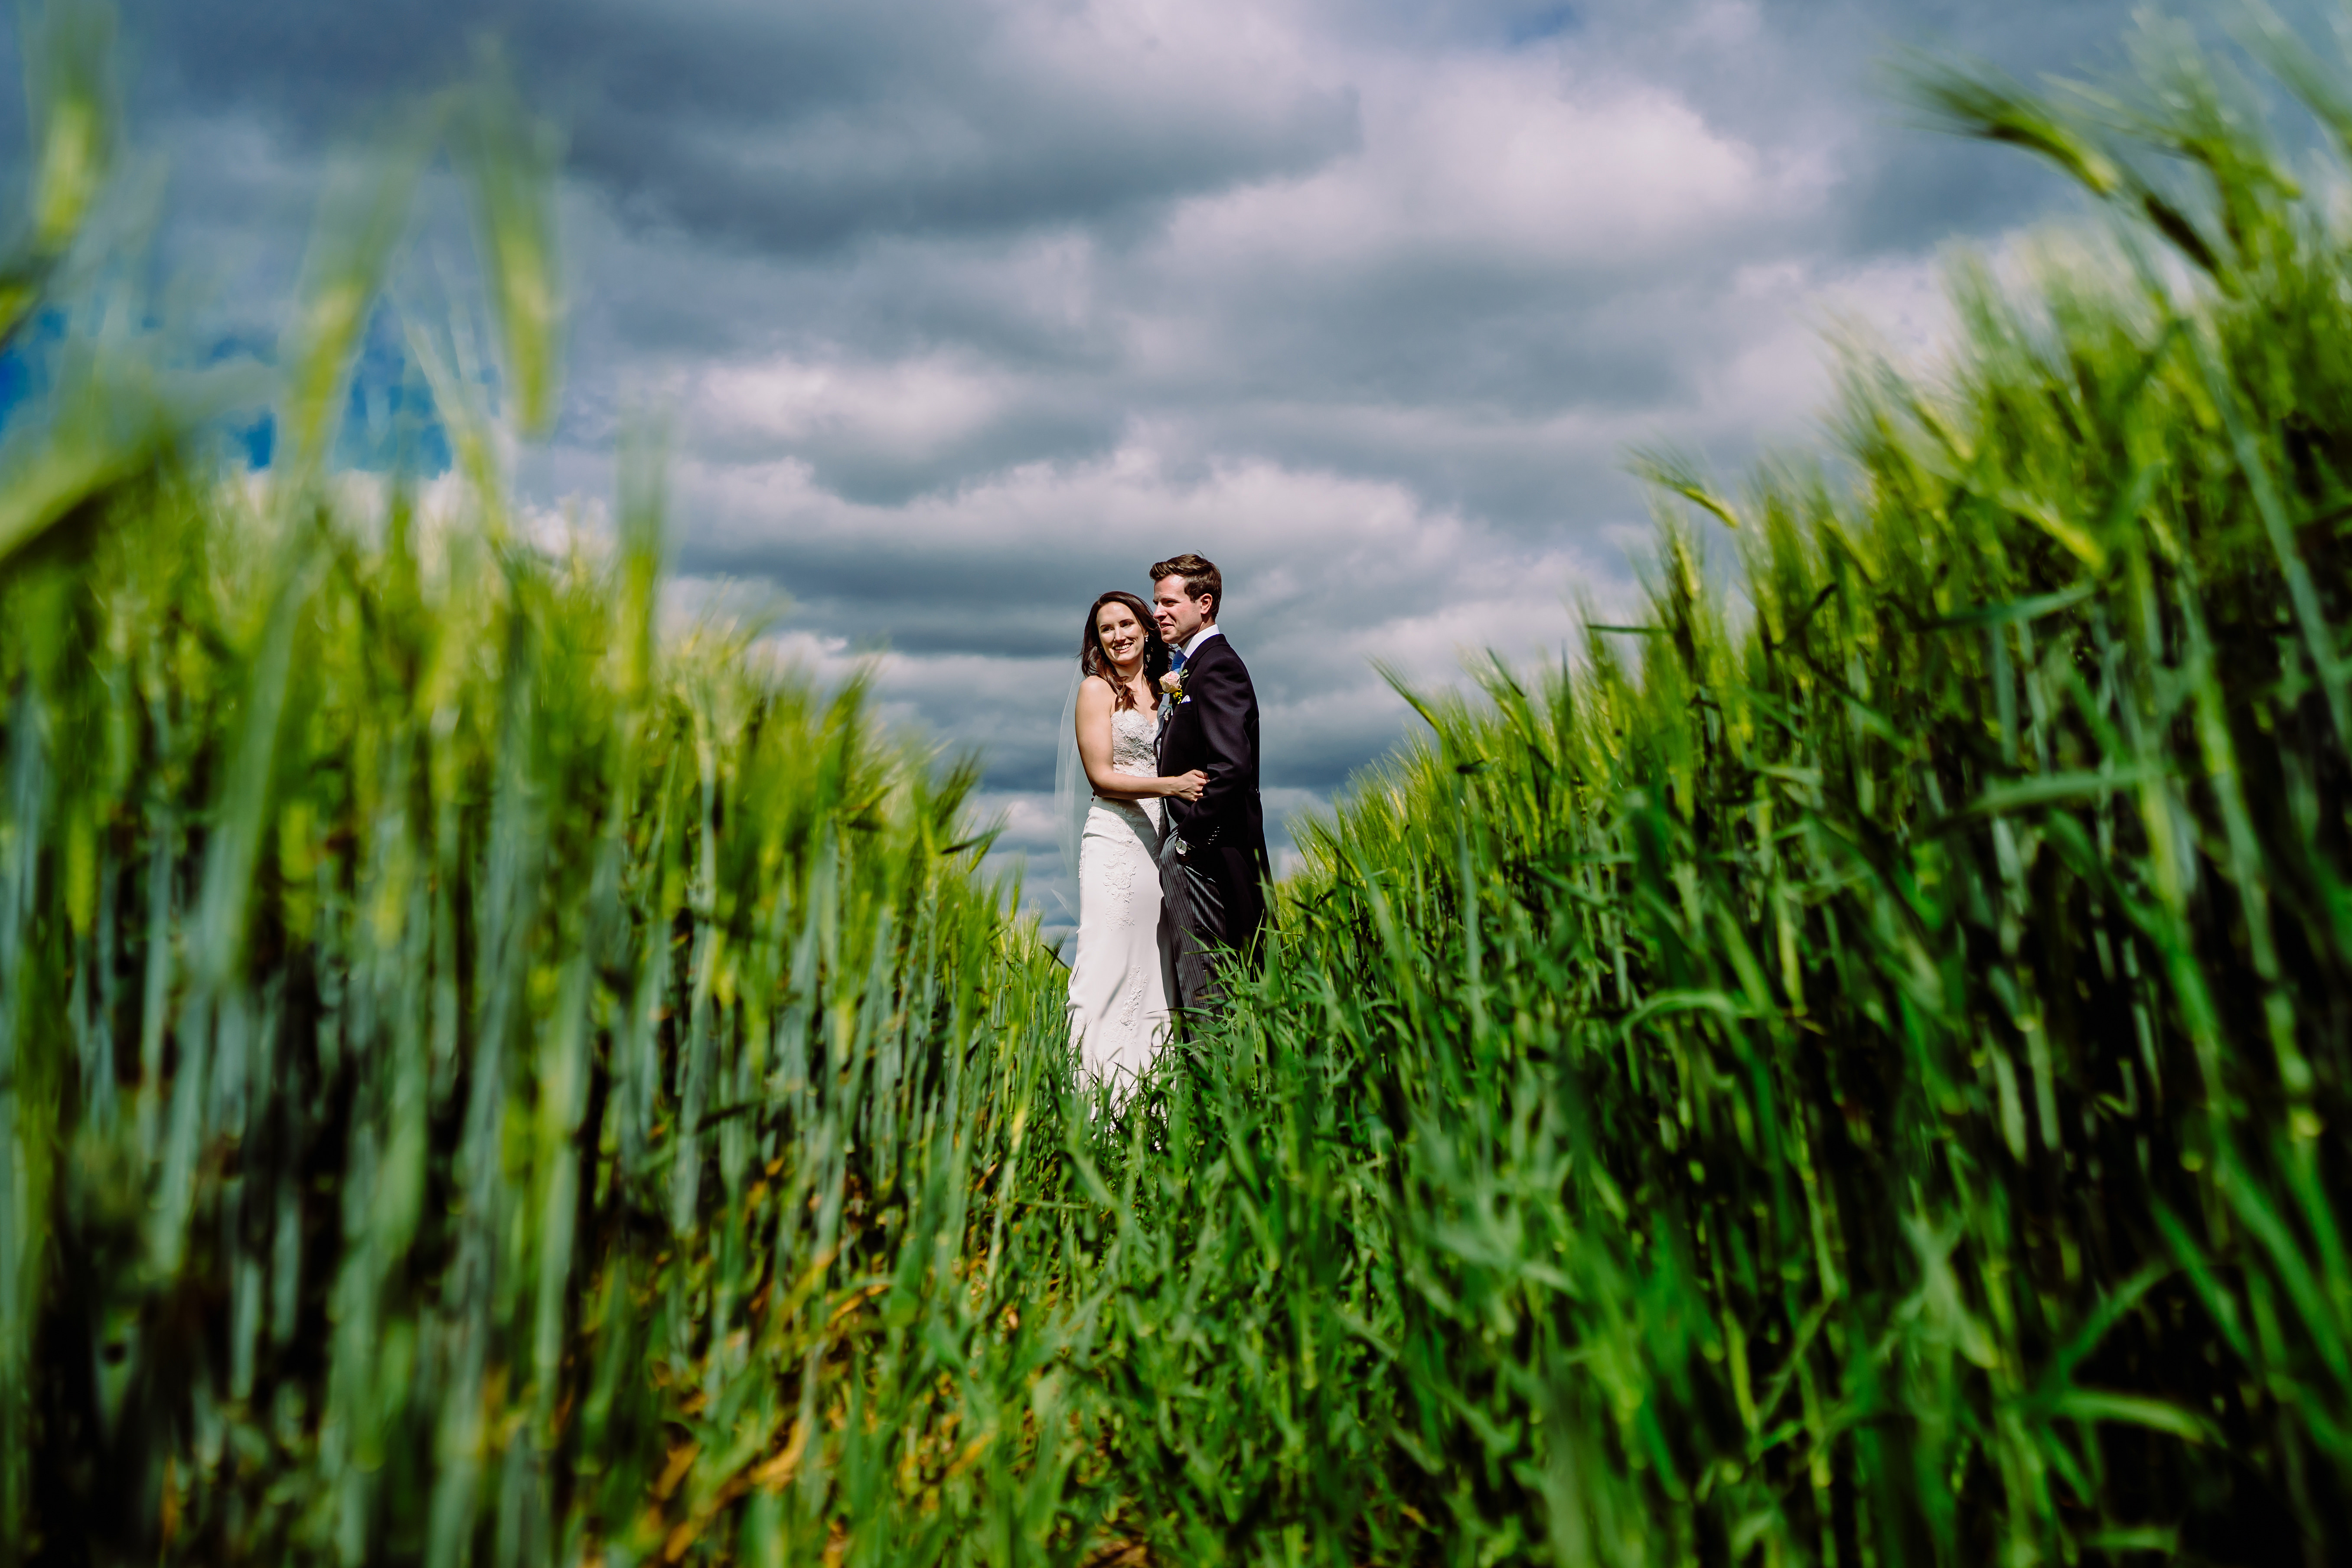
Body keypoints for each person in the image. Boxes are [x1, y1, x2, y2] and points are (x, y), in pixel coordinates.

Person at [1062, 590, 1208, 1088]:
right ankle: (1097, 1099)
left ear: (1146, 629)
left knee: (1153, 960)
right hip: (1114, 840)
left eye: (1126, 624)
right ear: (1097, 640)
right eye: (1106, 629)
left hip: (1160, 843)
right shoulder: (1095, 691)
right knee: (1107, 956)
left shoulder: (1166, 689)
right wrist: (1170, 784)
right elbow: (1102, 776)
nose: (1118, 636)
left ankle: (1152, 1100)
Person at [1151, 554, 1269, 1021]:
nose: (1157, 611)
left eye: (1167, 602)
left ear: (1204, 603)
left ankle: (1213, 1089)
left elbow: (1231, 766)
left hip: (1207, 856)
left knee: (1206, 989)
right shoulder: (1191, 668)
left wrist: (1189, 843)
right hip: (1203, 852)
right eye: (1155, 602)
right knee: (1202, 982)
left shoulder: (1217, 667)